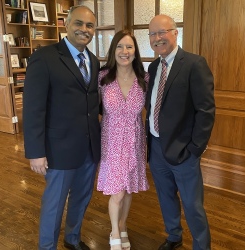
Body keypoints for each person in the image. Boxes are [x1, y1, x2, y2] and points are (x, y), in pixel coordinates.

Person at [23, 6, 100, 250]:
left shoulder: (94, 60)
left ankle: (72, 239)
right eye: (79, 24)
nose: (84, 30)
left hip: (89, 148)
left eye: (89, 26)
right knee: (54, 204)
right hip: (58, 149)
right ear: (66, 25)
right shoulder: (44, 57)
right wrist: (35, 151)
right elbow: (33, 108)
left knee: (81, 198)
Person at [146, 14, 215, 250]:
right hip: (156, 148)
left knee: (192, 204)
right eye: (153, 34)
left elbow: (205, 111)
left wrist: (196, 148)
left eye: (162, 32)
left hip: (184, 151)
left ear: (175, 33)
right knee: (166, 199)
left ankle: (201, 245)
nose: (157, 38)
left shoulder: (195, 64)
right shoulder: (153, 67)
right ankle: (174, 236)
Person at [97, 30, 149, 250]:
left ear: (135, 51)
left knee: (128, 191)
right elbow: (92, 109)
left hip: (136, 142)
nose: (124, 51)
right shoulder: (103, 78)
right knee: (117, 191)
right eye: (119, 46)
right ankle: (115, 232)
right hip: (112, 143)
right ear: (113, 51)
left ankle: (123, 226)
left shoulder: (144, 79)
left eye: (129, 47)